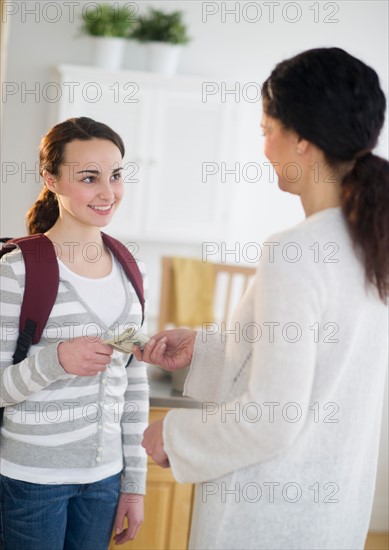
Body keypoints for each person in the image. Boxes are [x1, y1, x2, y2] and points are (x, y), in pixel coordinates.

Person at [135, 48, 389, 550]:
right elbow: (319, 372)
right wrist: (208, 349)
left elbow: (271, 418)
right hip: (329, 517)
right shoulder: (371, 241)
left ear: (301, 141)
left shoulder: (295, 252)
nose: (264, 148)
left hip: (264, 521)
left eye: (266, 130)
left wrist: (174, 435)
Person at [0, 117, 149, 550]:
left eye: (116, 175)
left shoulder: (127, 267)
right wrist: (56, 361)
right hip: (31, 483)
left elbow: (133, 382)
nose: (108, 192)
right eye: (89, 178)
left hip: (104, 481)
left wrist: (133, 483)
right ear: (51, 179)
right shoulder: (16, 271)